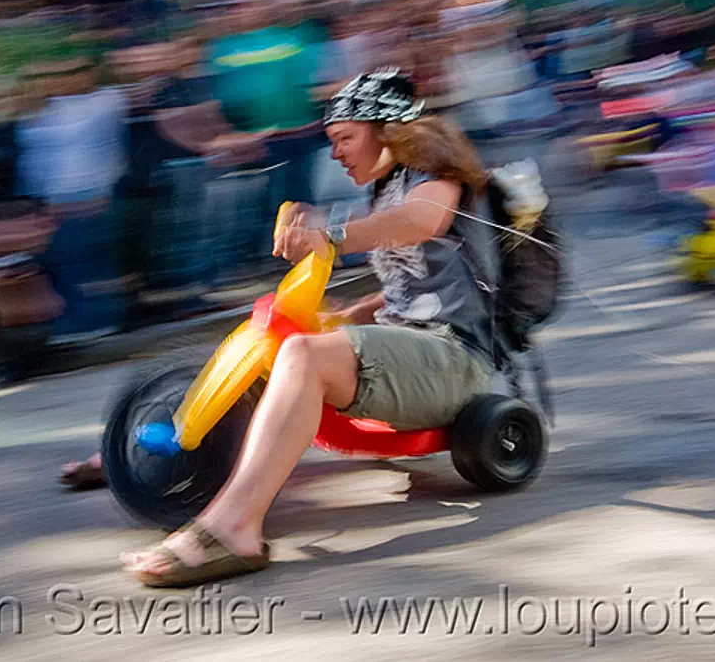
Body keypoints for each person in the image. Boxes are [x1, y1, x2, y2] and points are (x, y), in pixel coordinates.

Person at [117, 68, 499, 587]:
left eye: (345, 138)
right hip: (419, 350)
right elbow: (407, 294)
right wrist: (346, 318)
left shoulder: (434, 177)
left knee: (300, 354)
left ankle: (234, 529)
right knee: (282, 336)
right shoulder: (386, 191)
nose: (337, 152)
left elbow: (421, 222)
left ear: (386, 131)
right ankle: (170, 438)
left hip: (455, 361)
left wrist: (333, 236)